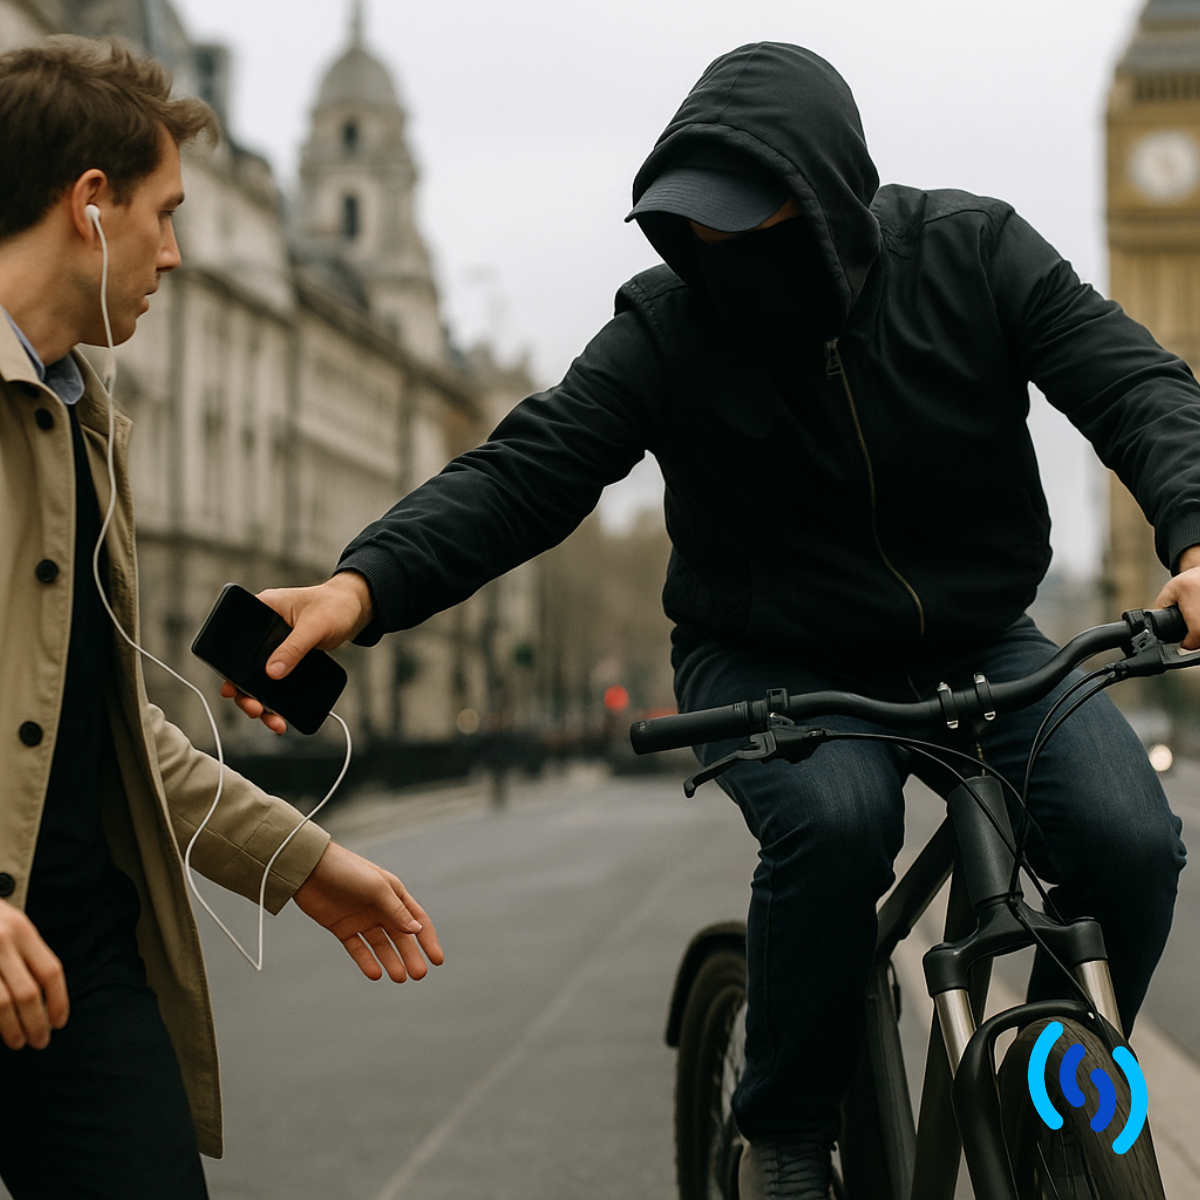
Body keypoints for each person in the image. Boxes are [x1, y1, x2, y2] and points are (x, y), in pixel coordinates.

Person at [227, 43, 1199, 1199]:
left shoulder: (975, 252)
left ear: (832, 202)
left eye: (756, 223)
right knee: (837, 827)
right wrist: (361, 588)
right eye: (703, 230)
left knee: (1129, 842)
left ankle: (1053, 1100)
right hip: (767, 651)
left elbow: (1137, 384)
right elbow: (528, 469)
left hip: (980, 636)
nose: (727, 254)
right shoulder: (671, 324)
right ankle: (784, 1134)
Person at [0, 36, 442, 1200]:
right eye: (165, 213)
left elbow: (93, 722)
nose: (179, 254)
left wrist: (297, 861)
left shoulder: (82, 414)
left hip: (79, 958)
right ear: (91, 207)